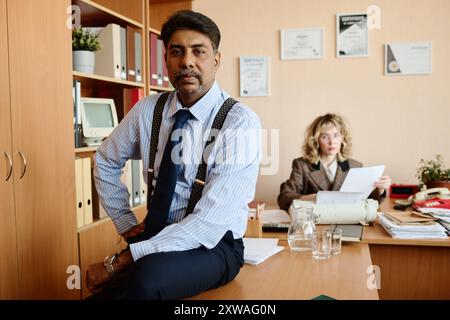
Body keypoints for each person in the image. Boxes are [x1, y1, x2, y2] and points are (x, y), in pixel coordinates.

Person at [86, 10, 261, 299]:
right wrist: (126, 223)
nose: (187, 62)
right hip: (156, 235)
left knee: (146, 279)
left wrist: (121, 260)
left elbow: (209, 224)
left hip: (215, 246)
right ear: (166, 59)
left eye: (198, 51)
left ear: (216, 60)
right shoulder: (149, 109)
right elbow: (105, 160)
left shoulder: (238, 123)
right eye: (176, 52)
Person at [277, 113, 391, 211]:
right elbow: (284, 198)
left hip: (346, 223)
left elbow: (371, 201)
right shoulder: (302, 165)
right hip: (313, 223)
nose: (332, 142)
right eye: (325, 136)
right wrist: (312, 198)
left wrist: (380, 189)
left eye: (336, 135)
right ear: (316, 140)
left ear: (342, 139)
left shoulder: (355, 166)